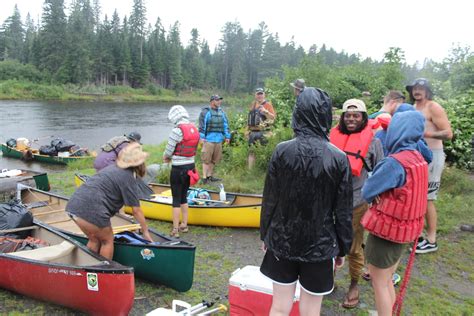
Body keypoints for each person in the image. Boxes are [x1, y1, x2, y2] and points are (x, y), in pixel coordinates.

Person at [260, 87, 353, 316]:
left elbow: (269, 199)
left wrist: (266, 234)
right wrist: (343, 248)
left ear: (297, 114)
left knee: (279, 308)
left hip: (283, 240)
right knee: (311, 311)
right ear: (325, 116)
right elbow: (343, 212)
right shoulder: (339, 158)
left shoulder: (282, 151)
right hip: (320, 245)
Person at [361, 111, 428, 316]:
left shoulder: (394, 162)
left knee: (378, 281)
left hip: (387, 231)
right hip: (407, 231)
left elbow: (368, 190)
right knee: (387, 277)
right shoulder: (419, 158)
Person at [329, 98, 384, 309]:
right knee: (328, 242)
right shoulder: (330, 138)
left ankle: (354, 285)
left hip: (356, 203)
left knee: (353, 247)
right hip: (330, 202)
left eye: (356, 116)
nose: (351, 119)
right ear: (343, 117)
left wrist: (377, 197)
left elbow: (380, 172)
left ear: (363, 118)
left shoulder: (373, 142)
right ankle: (329, 277)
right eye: (348, 115)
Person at [66, 143, 153, 260]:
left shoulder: (112, 168)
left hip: (73, 206)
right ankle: (104, 271)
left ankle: (91, 268)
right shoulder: (128, 177)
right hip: (91, 209)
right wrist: (145, 232)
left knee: (94, 239)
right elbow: (136, 210)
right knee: (107, 240)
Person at [406, 78, 453, 253]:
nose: (417, 91)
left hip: (433, 156)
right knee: (415, 196)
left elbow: (448, 133)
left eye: (421, 88)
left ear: (427, 91)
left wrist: (425, 133)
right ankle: (416, 234)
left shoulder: (433, 107)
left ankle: (431, 239)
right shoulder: (412, 108)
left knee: (427, 198)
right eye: (414, 88)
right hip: (416, 155)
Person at [163, 105, 200, 238]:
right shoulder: (194, 128)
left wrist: (166, 158)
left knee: (176, 198)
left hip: (178, 168)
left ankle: (175, 229)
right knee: (184, 196)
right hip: (191, 167)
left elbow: (168, 150)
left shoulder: (177, 131)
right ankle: (184, 224)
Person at [198, 95, 231, 184]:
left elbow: (225, 125)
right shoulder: (205, 112)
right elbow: (201, 126)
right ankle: (204, 178)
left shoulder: (222, 112)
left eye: (220, 100)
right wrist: (201, 138)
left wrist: (227, 137)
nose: (219, 102)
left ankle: (210, 176)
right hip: (208, 140)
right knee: (206, 159)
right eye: (217, 100)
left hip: (218, 140)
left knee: (214, 160)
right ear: (212, 101)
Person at [247, 88, 276, 169]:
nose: (259, 96)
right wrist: (247, 131)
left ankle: (264, 170)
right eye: (258, 94)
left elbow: (272, 119)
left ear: (264, 95)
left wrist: (266, 112)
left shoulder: (268, 105)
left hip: (264, 132)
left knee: (263, 152)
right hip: (252, 132)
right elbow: (249, 118)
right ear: (255, 95)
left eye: (261, 94)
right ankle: (250, 172)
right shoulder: (253, 104)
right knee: (251, 152)